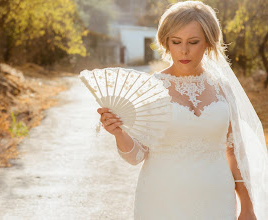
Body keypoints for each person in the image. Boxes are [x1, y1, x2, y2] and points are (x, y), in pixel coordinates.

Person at [96, 1, 267, 219]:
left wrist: (247, 206)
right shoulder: (152, 87)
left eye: (193, 42)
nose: (184, 50)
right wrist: (119, 134)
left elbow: (236, 153)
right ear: (166, 42)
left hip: (217, 199)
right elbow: (136, 155)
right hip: (161, 200)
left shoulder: (223, 87)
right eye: (176, 42)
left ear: (208, 42)